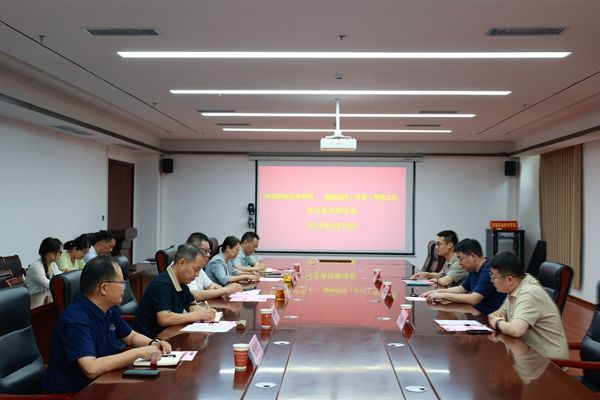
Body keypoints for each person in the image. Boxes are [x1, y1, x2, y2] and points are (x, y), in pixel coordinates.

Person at [44, 256, 171, 393]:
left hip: (102, 385)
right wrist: (139, 352)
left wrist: (153, 343)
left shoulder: (108, 309)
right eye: (121, 282)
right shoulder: (75, 319)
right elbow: (91, 368)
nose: (124, 287)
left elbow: (131, 337)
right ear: (104, 288)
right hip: (76, 394)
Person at [487, 251, 568, 359]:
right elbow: (500, 312)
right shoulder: (516, 286)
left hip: (548, 361)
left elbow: (516, 330)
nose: (492, 281)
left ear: (509, 279)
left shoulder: (529, 293)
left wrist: (497, 322)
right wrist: (498, 318)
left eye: (494, 277)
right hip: (528, 352)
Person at [134, 244, 217, 338]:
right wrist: (197, 315)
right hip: (149, 340)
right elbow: (164, 318)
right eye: (195, 269)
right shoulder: (162, 284)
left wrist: (196, 308)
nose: (197, 275)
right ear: (182, 263)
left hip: (168, 336)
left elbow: (190, 303)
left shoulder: (181, 283)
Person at [421, 238, 505, 315]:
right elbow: (461, 289)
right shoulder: (473, 269)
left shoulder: (488, 272)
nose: (460, 263)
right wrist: (438, 292)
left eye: (461, 259)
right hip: (474, 312)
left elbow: (473, 299)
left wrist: (443, 296)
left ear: (472, 256)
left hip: (486, 317)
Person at [185, 232, 243, 300]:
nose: (208, 255)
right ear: (192, 248)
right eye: (205, 251)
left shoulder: (199, 268)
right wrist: (226, 290)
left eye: (209, 251)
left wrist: (221, 290)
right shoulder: (186, 266)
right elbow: (194, 294)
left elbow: (210, 285)